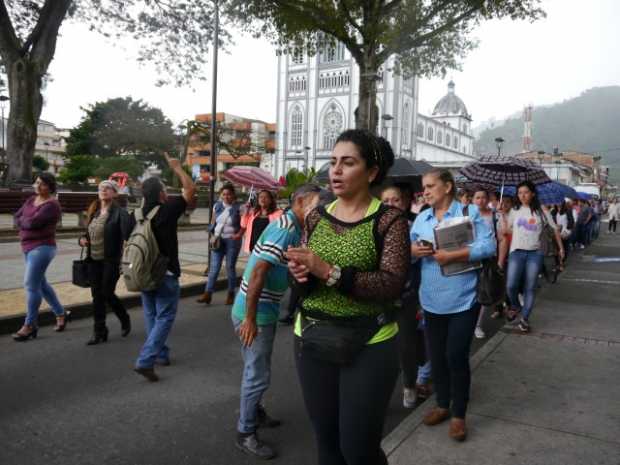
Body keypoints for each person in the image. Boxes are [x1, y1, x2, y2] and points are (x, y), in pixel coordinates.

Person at [286, 130, 410, 465]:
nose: (336, 171)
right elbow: (303, 279)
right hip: (311, 337)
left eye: (348, 163)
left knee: (358, 450)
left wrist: (329, 271)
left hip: (369, 342)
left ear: (371, 173)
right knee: (327, 447)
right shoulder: (315, 216)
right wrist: (299, 276)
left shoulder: (390, 220)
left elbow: (391, 284)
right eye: (333, 162)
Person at [232, 184, 321, 460]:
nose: (320, 211)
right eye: (317, 205)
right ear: (302, 201)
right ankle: (245, 432)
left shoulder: (292, 226)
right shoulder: (285, 228)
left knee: (255, 369)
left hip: (261, 310)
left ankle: (254, 413)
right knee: (257, 374)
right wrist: (249, 319)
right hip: (256, 312)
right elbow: (258, 271)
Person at [410, 169, 495, 442]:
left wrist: (455, 255)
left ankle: (459, 415)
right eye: (424, 187)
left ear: (447, 187)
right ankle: (442, 405)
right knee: (437, 357)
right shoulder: (421, 218)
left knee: (455, 356)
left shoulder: (467, 214)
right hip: (431, 300)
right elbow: (407, 251)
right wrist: (413, 251)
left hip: (464, 299)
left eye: (430, 185)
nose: (425, 191)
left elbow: (488, 246)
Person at [133, 153, 195, 381]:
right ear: (161, 194)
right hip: (165, 274)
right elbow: (190, 190)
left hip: (142, 272)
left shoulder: (136, 215)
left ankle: (160, 354)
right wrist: (177, 168)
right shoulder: (167, 209)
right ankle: (146, 360)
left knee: (151, 315)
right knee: (165, 316)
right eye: (165, 190)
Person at [381, 185, 429, 408]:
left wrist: (412, 253)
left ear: (406, 201)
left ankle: (410, 385)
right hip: (377, 295)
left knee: (405, 345)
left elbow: (424, 254)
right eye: (386, 201)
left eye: (396, 200)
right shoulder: (374, 226)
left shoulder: (416, 225)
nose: (391, 205)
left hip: (406, 295)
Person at [13, 172, 68, 341]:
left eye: (42, 184)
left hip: (42, 248)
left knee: (30, 285)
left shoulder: (52, 205)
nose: (38, 186)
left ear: (50, 187)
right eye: (36, 182)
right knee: (41, 284)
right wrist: (25, 221)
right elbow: (17, 217)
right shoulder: (31, 200)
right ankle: (61, 313)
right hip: (27, 246)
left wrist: (25, 221)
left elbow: (32, 223)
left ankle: (30, 325)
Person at [503, 181, 564, 333]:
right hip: (516, 251)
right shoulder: (514, 210)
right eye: (520, 193)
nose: (522, 195)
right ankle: (516, 307)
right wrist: (502, 215)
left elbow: (555, 229)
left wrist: (561, 248)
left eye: (525, 192)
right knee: (510, 286)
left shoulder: (542, 210)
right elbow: (507, 230)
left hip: (535, 253)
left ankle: (524, 318)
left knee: (530, 287)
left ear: (532, 193)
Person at [79, 180, 134, 345]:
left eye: (108, 188)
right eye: (101, 188)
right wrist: (82, 239)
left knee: (107, 293)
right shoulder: (94, 211)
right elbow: (87, 233)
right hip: (93, 260)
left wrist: (126, 258)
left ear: (115, 193)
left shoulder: (120, 213)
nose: (103, 190)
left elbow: (128, 236)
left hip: (111, 260)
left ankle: (124, 317)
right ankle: (100, 331)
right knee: (97, 296)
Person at [197, 184, 242, 305]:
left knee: (230, 267)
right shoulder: (216, 206)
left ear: (233, 195)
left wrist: (239, 234)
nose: (226, 196)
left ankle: (231, 294)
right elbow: (213, 222)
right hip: (217, 240)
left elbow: (244, 225)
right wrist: (212, 234)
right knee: (214, 268)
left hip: (232, 240)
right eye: (224, 194)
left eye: (229, 194)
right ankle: (208, 294)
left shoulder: (239, 208)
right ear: (221, 195)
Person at [471, 188, 505, 339]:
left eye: (484, 197)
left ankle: (478, 325)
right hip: (470, 258)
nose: (481, 200)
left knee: (484, 293)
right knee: (470, 291)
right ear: (473, 200)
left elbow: (502, 239)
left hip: (488, 259)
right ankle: (468, 322)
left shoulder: (495, 216)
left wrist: (500, 261)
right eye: (477, 197)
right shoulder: (467, 215)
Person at [238, 189, 283, 254]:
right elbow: (243, 225)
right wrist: (246, 213)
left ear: (271, 200)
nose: (263, 199)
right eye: (261, 197)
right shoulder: (254, 213)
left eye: (266, 197)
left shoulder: (278, 213)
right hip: (253, 247)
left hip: (268, 248)